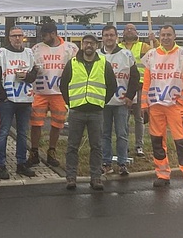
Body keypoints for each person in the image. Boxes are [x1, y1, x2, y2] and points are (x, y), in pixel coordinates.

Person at [141, 25, 183, 196]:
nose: (166, 37)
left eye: (169, 35)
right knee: (157, 142)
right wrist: (144, 104)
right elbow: (146, 82)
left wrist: (182, 99)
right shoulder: (151, 55)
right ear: (159, 36)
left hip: (175, 107)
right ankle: (162, 175)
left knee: (182, 143)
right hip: (156, 106)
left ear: (175, 36)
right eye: (163, 35)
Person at [59, 33, 117, 190]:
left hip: (96, 112)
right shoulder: (73, 63)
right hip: (77, 110)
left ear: (96, 46)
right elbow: (63, 84)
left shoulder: (104, 64)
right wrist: (69, 102)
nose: (88, 45)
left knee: (96, 146)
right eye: (85, 43)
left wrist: (101, 102)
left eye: (91, 43)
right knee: (72, 146)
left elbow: (112, 86)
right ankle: (71, 178)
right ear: (82, 45)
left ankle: (96, 178)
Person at [29, 21, 79, 167]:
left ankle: (52, 151)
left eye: (45, 35)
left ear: (53, 34)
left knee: (57, 124)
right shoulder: (36, 48)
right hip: (40, 92)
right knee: (35, 123)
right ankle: (34, 151)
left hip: (59, 93)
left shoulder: (70, 48)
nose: (43, 38)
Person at [0, 26, 38, 179]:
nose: (17, 38)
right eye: (14, 36)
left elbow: (33, 77)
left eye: (20, 35)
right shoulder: (1, 53)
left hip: (25, 99)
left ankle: (21, 163)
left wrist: (27, 75)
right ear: (9, 38)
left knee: (23, 133)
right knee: (4, 132)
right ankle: (1, 165)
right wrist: (3, 96)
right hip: (8, 100)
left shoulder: (29, 53)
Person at [98, 25, 140, 176]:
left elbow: (135, 77)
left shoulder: (126, 54)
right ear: (102, 37)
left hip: (121, 101)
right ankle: (106, 162)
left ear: (116, 37)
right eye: (106, 35)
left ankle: (122, 163)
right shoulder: (97, 55)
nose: (109, 38)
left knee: (122, 133)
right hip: (103, 102)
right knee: (104, 134)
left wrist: (130, 96)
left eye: (111, 35)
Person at [119, 23, 156, 158]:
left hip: (140, 85)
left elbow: (158, 53)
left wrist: (155, 40)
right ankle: (125, 145)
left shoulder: (144, 46)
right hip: (125, 86)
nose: (129, 31)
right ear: (123, 33)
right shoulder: (119, 47)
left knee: (139, 117)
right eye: (127, 29)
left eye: (132, 29)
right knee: (124, 117)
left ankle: (139, 146)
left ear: (136, 32)